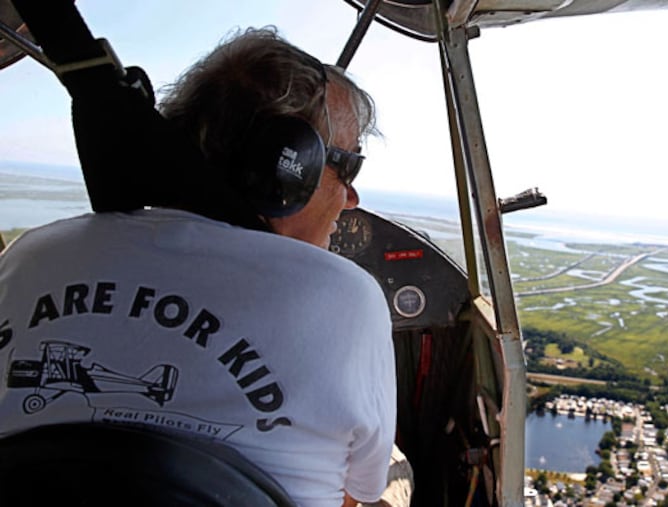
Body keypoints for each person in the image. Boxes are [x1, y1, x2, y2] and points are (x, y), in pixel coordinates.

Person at [0, 27, 403, 507]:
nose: (352, 196)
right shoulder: (348, 298)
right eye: (348, 166)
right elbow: (356, 493)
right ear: (289, 163)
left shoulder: (32, 256)